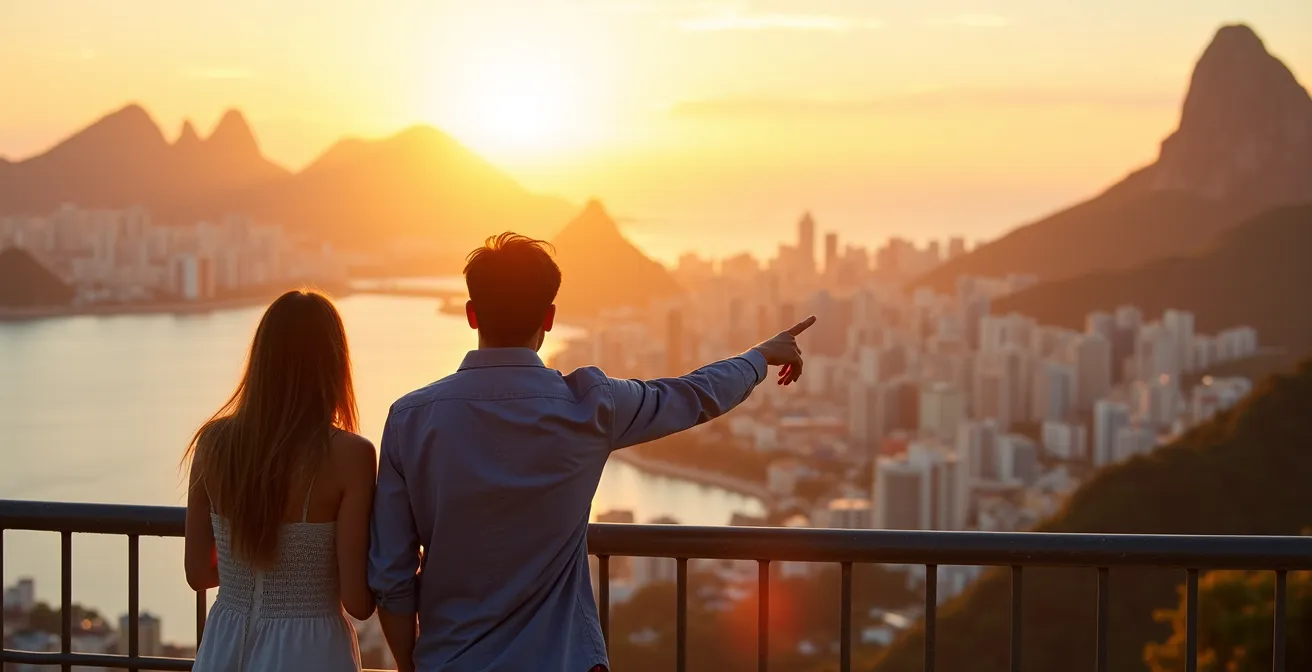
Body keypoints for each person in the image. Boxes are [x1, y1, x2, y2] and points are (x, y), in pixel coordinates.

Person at [368, 233, 815, 672]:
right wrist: (759, 357)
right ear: (549, 317)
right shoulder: (591, 404)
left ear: (471, 314)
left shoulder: (410, 418)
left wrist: (416, 665)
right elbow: (692, 396)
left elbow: (391, 575)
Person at [183, 289, 378, 672]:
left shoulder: (214, 444)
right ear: (334, 364)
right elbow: (358, 601)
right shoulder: (351, 454)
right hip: (310, 649)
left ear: (261, 360)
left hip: (227, 641)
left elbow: (198, 574)